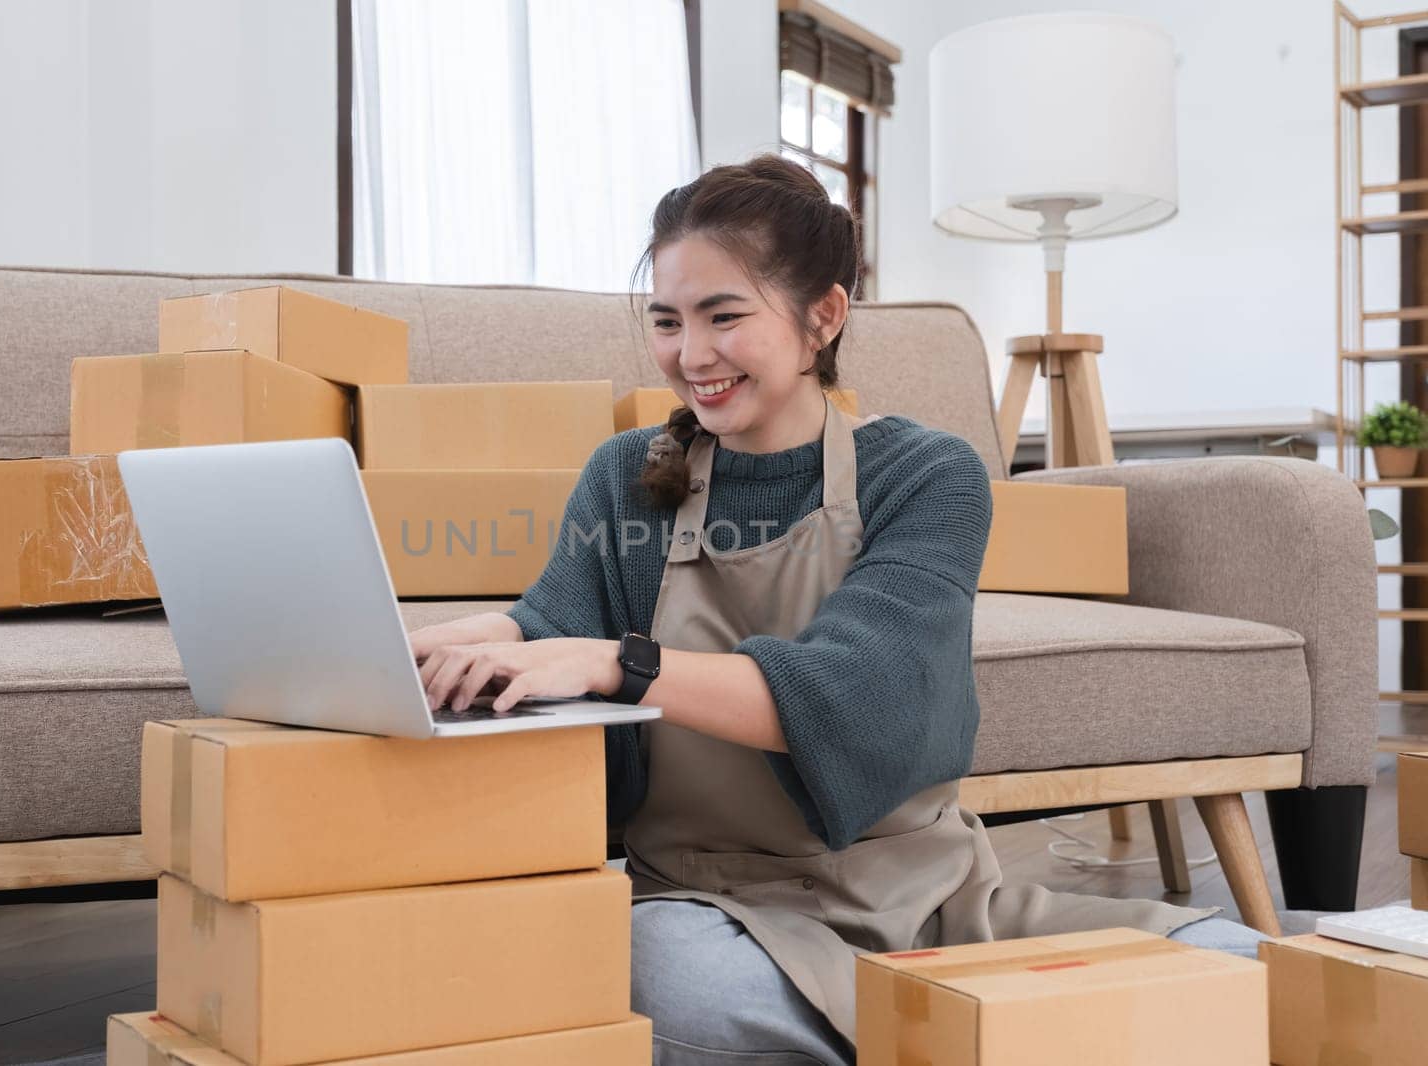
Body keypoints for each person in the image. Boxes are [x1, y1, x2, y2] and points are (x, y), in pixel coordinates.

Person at [409, 154, 1265, 1066]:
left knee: (1242, 963)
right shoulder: (627, 476)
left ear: (823, 316)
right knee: (667, 977)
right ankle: (980, 1033)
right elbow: (543, 625)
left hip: (937, 909)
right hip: (713, 913)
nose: (690, 356)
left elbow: (857, 693)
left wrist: (622, 661)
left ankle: (936, 1022)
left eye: (724, 316)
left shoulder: (925, 475)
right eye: (667, 321)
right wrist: (393, 650)